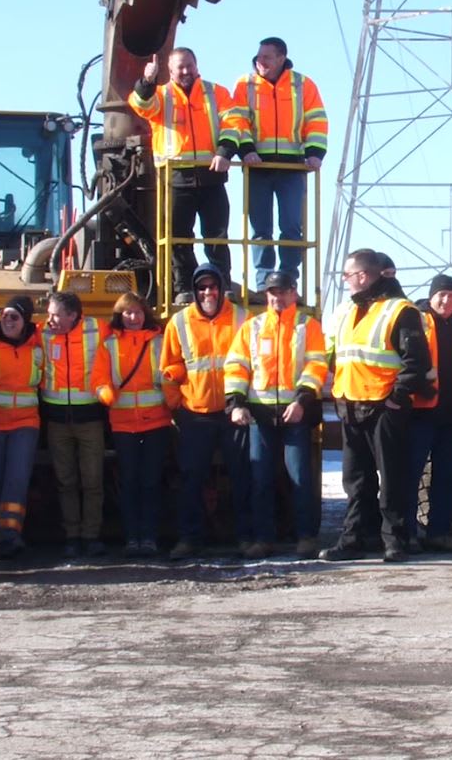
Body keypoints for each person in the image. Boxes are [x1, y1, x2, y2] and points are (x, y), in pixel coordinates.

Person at [320, 249, 431, 563]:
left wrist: (397, 398)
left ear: (363, 276)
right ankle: (354, 539)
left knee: (391, 478)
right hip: (350, 404)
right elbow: (332, 353)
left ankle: (394, 541)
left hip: (384, 408)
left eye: (348, 275)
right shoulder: (343, 311)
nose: (345, 281)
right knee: (355, 480)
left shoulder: (400, 311)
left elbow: (417, 361)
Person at [129, 46, 249, 301]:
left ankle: (222, 285)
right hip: (176, 178)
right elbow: (141, 105)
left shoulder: (216, 93)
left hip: (211, 175)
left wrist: (225, 151)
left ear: (196, 66)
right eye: (180, 67)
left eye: (189, 66)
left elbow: (234, 123)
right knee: (178, 237)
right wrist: (147, 80)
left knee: (216, 236)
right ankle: (185, 287)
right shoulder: (161, 94)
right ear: (170, 71)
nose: (186, 71)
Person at [223, 270, 328, 560]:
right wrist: (236, 404)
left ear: (294, 293)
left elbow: (316, 366)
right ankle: (263, 538)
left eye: (282, 291)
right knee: (261, 478)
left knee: (300, 478)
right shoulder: (252, 327)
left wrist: (302, 401)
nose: (277, 297)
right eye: (272, 292)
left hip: (296, 413)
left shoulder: (309, 326)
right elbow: (236, 367)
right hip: (260, 415)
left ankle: (305, 537)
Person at [163, 263, 251, 559]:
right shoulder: (179, 322)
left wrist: (243, 404)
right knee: (191, 478)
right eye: (202, 288)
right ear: (195, 291)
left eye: (213, 286)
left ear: (222, 288)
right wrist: (177, 406)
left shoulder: (241, 318)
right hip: (195, 413)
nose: (208, 292)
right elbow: (169, 367)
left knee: (241, 475)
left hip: (232, 413)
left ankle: (245, 537)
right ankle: (189, 539)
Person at [232, 36, 328, 293]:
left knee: (291, 226)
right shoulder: (245, 84)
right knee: (260, 228)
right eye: (258, 56)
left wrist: (315, 153)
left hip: (292, 168)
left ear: (281, 58)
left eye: (267, 57)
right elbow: (237, 122)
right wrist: (247, 151)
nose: (260, 61)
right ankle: (264, 282)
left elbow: (316, 121)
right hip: (258, 166)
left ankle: (287, 280)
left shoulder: (303, 85)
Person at [92, 293, 173, 557]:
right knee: (129, 481)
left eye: (138, 312)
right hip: (124, 423)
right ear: (120, 316)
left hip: (156, 421)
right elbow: (99, 378)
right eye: (128, 313)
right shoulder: (109, 345)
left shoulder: (159, 342)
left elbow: (172, 371)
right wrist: (105, 393)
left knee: (151, 481)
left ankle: (148, 537)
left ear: (145, 314)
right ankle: (132, 538)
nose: (134, 317)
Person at [407, 274, 452, 553]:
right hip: (421, 415)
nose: (446, 300)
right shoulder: (418, 322)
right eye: (441, 295)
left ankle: (439, 531)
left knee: (446, 478)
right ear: (431, 295)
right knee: (410, 476)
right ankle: (408, 532)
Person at [40, 290, 108, 557]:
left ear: (73, 315)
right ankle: (72, 535)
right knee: (65, 481)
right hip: (57, 420)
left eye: (55, 315)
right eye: (49, 314)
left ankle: (91, 535)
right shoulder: (42, 333)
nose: (50, 320)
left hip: (89, 419)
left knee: (92, 481)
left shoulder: (98, 330)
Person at [0, 297, 44, 558]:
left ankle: (10, 535)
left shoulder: (37, 350)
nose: (8, 321)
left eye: (14, 317)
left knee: (15, 481)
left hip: (25, 424)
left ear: (25, 321)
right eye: (4, 316)